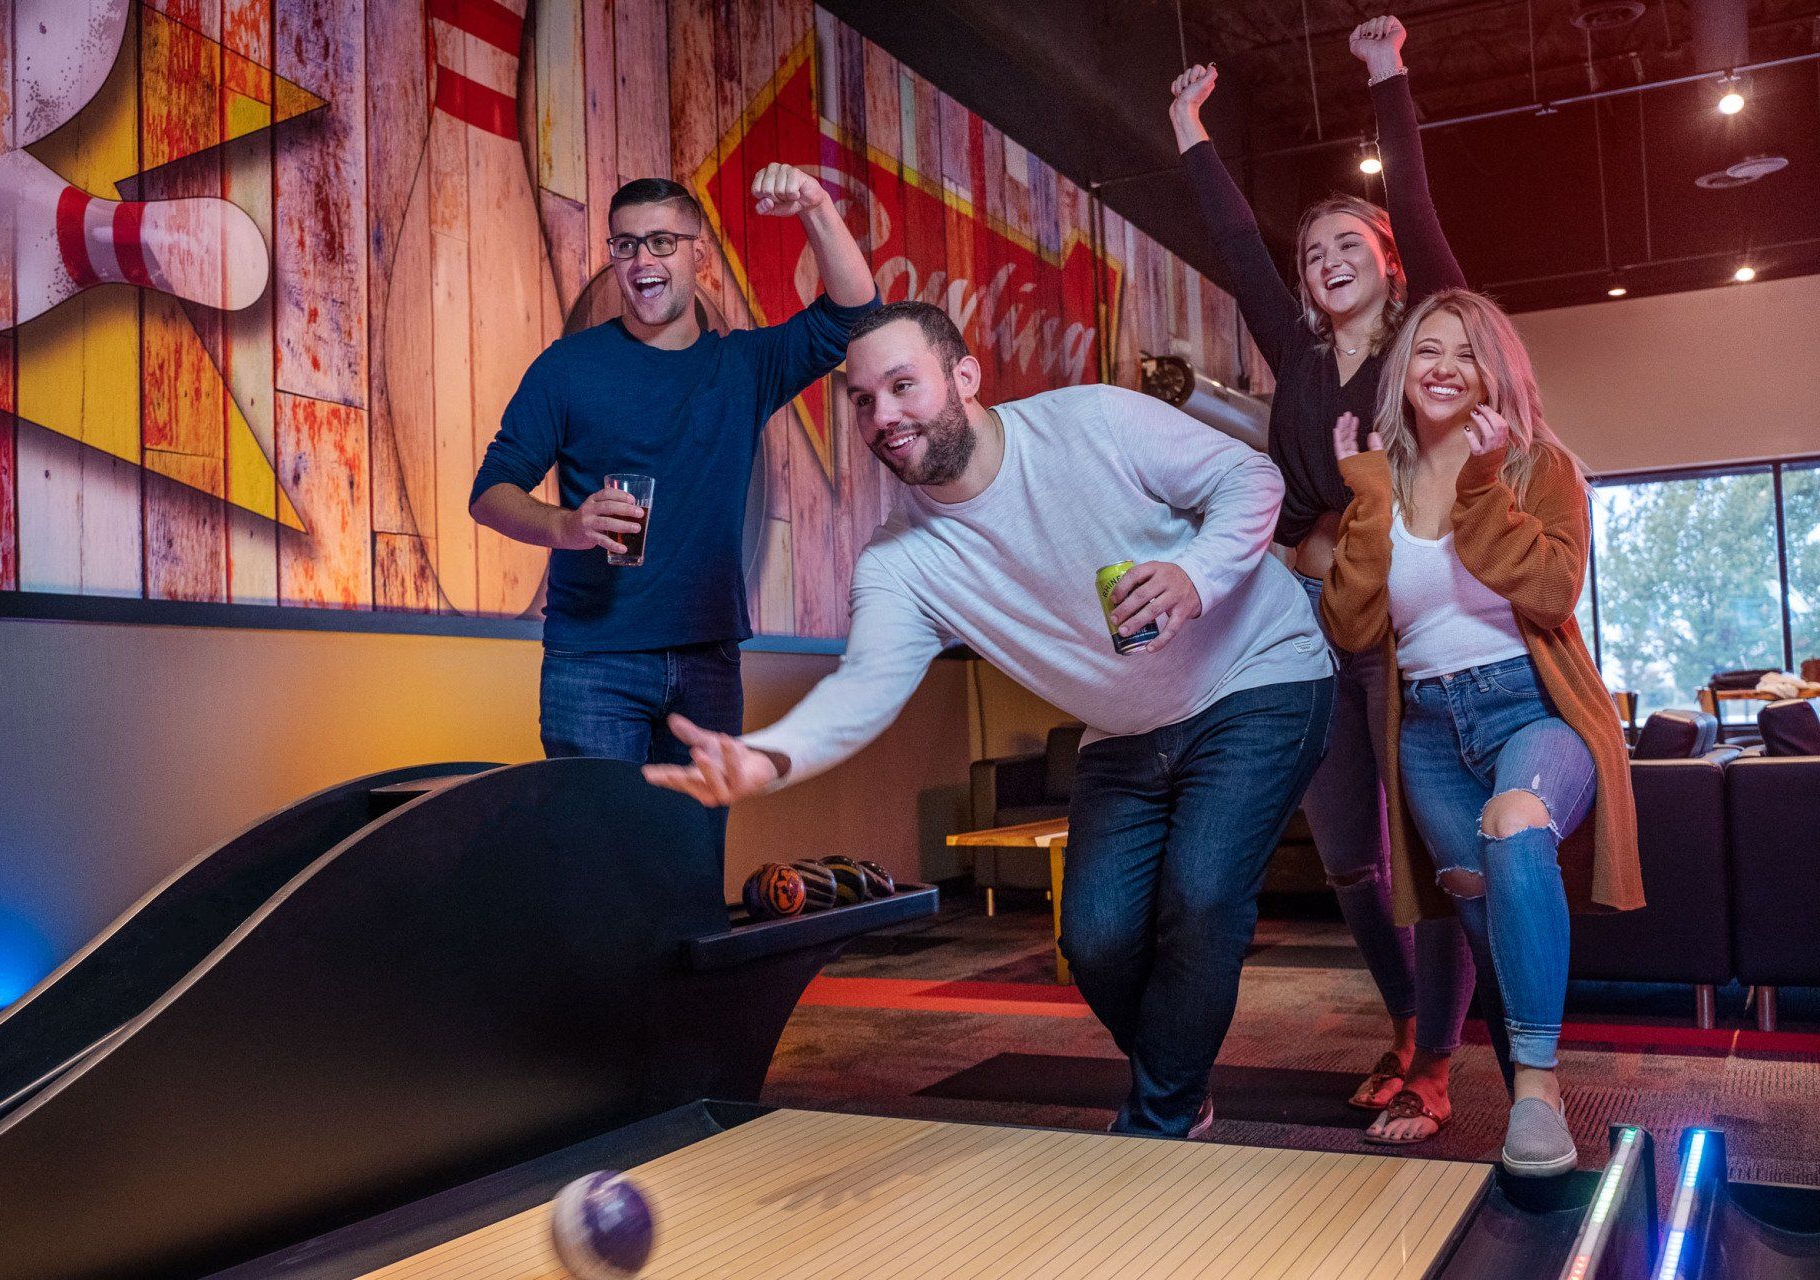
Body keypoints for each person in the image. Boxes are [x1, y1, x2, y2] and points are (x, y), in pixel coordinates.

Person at [643, 301, 1335, 1139]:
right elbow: (866, 685)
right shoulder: (902, 561)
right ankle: (1177, 1077)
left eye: (902, 385)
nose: (882, 416)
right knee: (1097, 942)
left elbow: (1252, 480)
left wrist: (1194, 574)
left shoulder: (1093, 422)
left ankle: (1162, 1121)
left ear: (964, 377)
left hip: (1260, 672)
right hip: (1123, 730)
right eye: (861, 399)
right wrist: (768, 758)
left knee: (1202, 891)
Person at [1168, 14, 1478, 1138]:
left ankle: (1439, 1062)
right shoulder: (1296, 357)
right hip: (1311, 621)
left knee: (1436, 854)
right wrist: (1186, 129)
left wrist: (1387, 77)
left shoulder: (1425, 337)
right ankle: (1405, 1026)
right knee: (1350, 856)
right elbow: (1239, 247)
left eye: (1349, 241)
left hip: (1412, 622)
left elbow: (1425, 206)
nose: (1325, 259)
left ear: (1387, 263)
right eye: (1315, 252)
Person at [1320, 288, 1641, 1175]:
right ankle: (1535, 1122)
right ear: (1403, 368)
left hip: (1535, 710)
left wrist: (1479, 485)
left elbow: (1548, 593)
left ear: (1495, 370)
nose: (1445, 367)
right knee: (1481, 932)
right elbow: (1349, 626)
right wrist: (1362, 502)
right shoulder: (1380, 477)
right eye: (1428, 349)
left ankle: (1535, 1093)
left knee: (1516, 825)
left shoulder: (1540, 466)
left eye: (1466, 352)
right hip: (1425, 727)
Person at [469, 166, 878, 809]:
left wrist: (816, 206)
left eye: (662, 241)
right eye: (625, 243)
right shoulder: (568, 367)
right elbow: (490, 491)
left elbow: (854, 315)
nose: (642, 259)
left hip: (708, 664)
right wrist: (567, 527)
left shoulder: (742, 366)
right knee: (599, 868)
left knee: (688, 872)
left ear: (697, 254)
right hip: (592, 666)